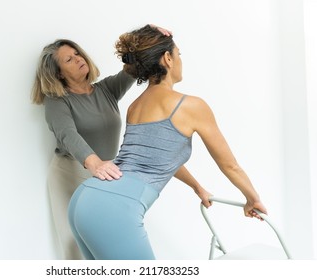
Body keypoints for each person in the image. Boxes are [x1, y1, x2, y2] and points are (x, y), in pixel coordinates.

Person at [68, 24, 268, 260]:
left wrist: (197, 187)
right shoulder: (192, 106)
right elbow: (230, 166)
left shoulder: (136, 106)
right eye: (178, 54)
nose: (180, 59)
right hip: (114, 208)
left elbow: (160, 156)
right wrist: (252, 198)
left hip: (84, 200)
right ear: (167, 58)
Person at [31, 26, 172, 260]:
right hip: (71, 173)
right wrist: (95, 163)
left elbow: (132, 67)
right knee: (73, 245)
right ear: (58, 74)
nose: (78, 59)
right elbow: (68, 135)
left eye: (77, 54)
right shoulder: (57, 102)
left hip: (106, 173)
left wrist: (149, 32)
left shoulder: (106, 89)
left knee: (106, 238)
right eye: (69, 59)